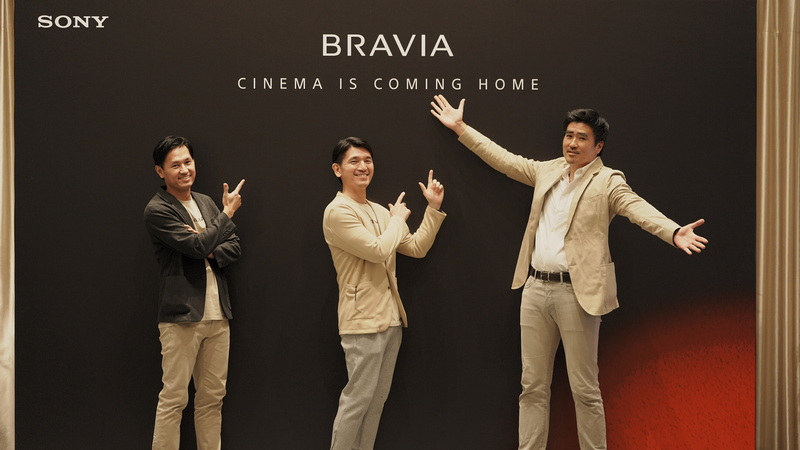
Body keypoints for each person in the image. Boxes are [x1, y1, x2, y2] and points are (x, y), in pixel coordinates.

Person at [430, 95, 708, 450]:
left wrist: (673, 231)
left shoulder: (608, 181)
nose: (572, 143)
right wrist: (461, 128)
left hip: (577, 294)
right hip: (534, 289)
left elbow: (636, 208)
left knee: (585, 390)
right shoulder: (549, 170)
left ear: (598, 146)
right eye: (569, 135)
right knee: (532, 387)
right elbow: (504, 160)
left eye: (581, 138)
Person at [323, 137, 446, 450]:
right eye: (354, 161)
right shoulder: (337, 211)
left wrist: (432, 209)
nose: (363, 167)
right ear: (337, 169)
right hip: (362, 321)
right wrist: (396, 221)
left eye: (367, 160)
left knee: (375, 403)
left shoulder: (379, 211)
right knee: (357, 402)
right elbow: (377, 250)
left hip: (391, 319)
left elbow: (416, 248)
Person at [143, 135, 245, 450]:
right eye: (176, 165)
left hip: (219, 314)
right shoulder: (157, 209)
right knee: (174, 398)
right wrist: (225, 216)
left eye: (188, 162)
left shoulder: (206, 202)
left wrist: (208, 244)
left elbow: (234, 246)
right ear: (160, 171)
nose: (185, 169)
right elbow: (197, 246)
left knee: (212, 399)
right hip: (181, 316)